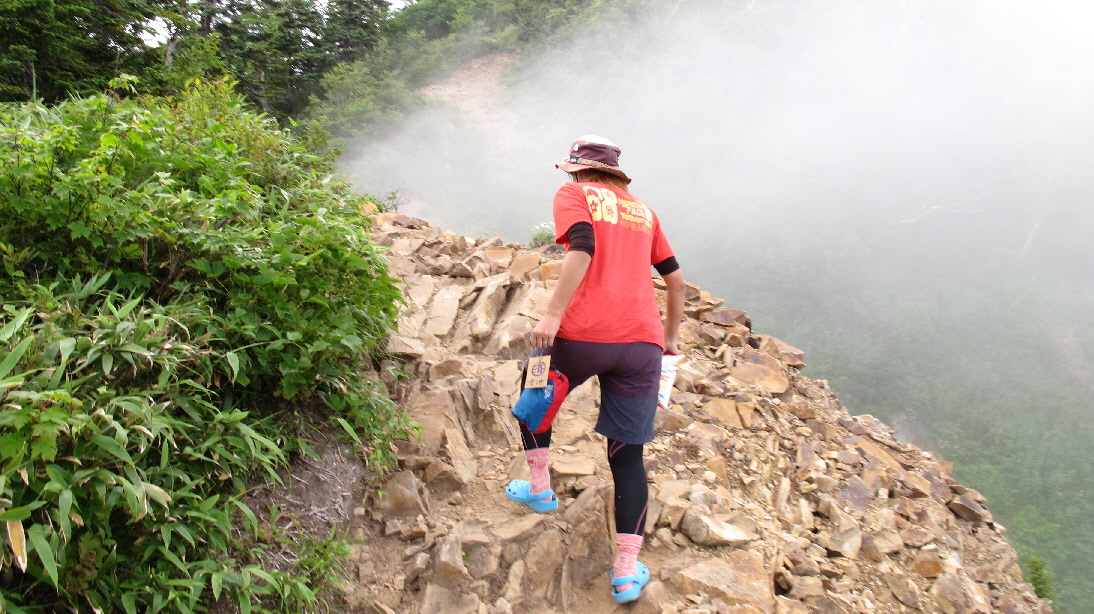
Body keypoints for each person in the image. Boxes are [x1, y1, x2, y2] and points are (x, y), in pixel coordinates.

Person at [505, 135, 686, 604]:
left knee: (534, 401)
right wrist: (668, 339)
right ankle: (626, 572)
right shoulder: (644, 212)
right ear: (615, 173)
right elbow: (676, 281)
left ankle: (540, 489)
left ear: (578, 169)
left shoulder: (575, 194)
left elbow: (581, 247)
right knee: (627, 457)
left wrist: (552, 315)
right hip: (642, 347)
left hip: (580, 338)